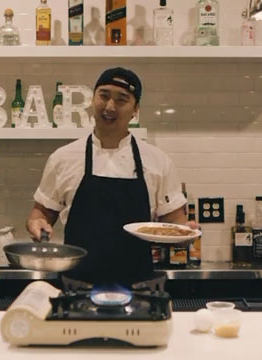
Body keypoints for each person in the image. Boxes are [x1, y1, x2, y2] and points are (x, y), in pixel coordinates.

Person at [26, 67, 196, 287]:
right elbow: (42, 212)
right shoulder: (63, 158)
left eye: (121, 100)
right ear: (92, 99)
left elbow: (174, 222)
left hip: (139, 290)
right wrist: (37, 223)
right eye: (103, 95)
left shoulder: (157, 161)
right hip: (77, 288)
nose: (109, 107)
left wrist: (185, 230)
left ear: (135, 110)